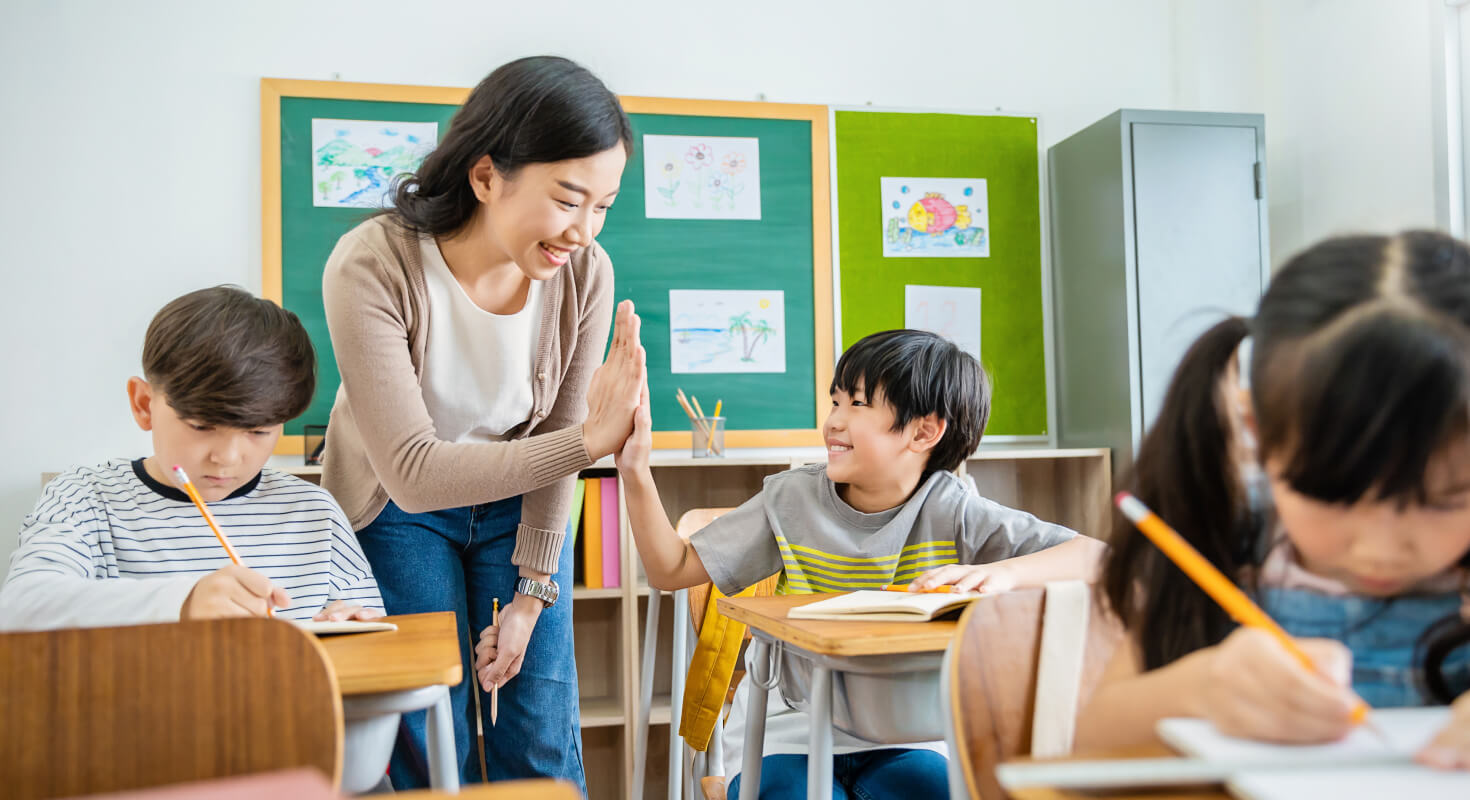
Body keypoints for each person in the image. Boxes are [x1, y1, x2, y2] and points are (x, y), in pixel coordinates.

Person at [319, 55, 642, 790]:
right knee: (432, 722)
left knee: (538, 729)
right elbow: (413, 472)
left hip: (519, 501)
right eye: (568, 199)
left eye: (603, 206)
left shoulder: (587, 274)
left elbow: (560, 431)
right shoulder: (370, 265)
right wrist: (589, 440)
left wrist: (532, 593)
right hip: (397, 506)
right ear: (487, 175)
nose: (585, 231)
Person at [609, 328, 1104, 798]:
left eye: (858, 404)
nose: (834, 421)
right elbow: (669, 570)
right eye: (836, 401)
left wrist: (1001, 573)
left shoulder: (953, 509)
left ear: (924, 431)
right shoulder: (792, 499)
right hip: (788, 730)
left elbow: (1098, 556)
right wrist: (633, 469)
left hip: (907, 733)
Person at [1077, 231, 1470, 770]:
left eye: (1446, 501)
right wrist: (1202, 687)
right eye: (1332, 496)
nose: (1381, 549)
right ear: (1261, 435)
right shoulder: (1232, 537)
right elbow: (1092, 745)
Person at [0, 285, 382, 629]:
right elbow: (19, 608)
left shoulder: (313, 510)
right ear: (144, 404)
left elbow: (370, 626)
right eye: (201, 426)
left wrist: (354, 623)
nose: (228, 458)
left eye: (259, 431)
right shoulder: (86, 498)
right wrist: (183, 602)